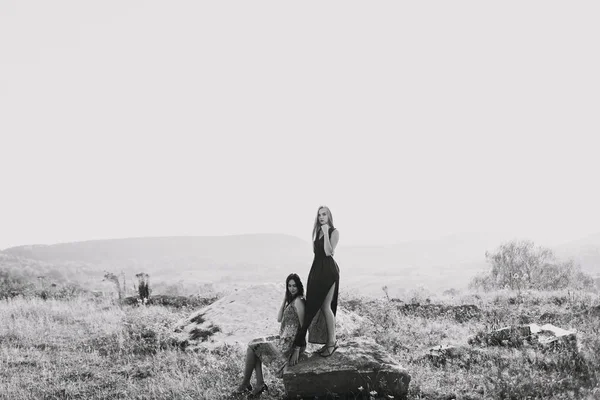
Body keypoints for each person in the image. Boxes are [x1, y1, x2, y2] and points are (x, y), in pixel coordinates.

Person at [232, 274, 306, 397]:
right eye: (289, 286)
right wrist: (285, 299)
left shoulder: (299, 301)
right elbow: (279, 318)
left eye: (294, 286)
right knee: (254, 344)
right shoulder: (292, 300)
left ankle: (247, 384)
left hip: (291, 345)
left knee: (253, 347)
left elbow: (304, 327)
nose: (292, 288)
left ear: (299, 286)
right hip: (284, 339)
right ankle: (258, 383)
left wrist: (297, 349)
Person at [290, 205, 340, 366]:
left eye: (324, 214)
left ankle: (331, 343)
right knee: (315, 307)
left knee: (326, 307)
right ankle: (322, 342)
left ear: (329, 215)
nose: (321, 217)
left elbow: (327, 252)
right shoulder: (316, 232)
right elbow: (316, 255)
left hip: (329, 272)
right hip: (316, 272)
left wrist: (326, 232)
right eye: (319, 215)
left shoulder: (334, 232)